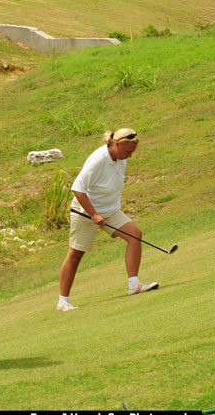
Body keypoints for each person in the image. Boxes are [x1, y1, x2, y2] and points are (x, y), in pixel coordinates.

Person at [57, 128, 158, 311]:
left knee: (135, 235)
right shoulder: (98, 160)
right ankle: (63, 301)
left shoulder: (120, 158)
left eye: (132, 152)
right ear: (117, 145)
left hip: (110, 211)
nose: (129, 156)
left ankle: (133, 285)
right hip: (85, 212)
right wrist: (94, 214)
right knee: (75, 254)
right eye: (128, 152)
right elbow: (78, 189)